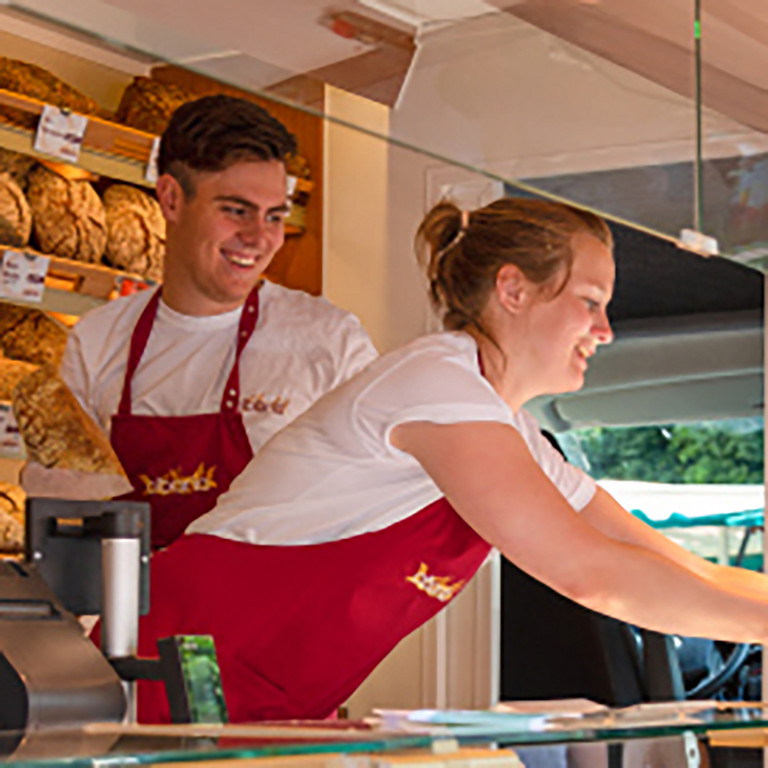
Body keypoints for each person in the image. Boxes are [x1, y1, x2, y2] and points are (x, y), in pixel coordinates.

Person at [129, 197, 768, 723]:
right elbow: (589, 573)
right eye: (590, 302)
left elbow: (667, 559)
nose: (605, 331)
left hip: (268, 706)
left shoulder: (507, 429)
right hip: (163, 679)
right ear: (513, 289)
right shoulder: (437, 385)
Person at [24, 95, 377, 549]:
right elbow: (75, 524)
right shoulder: (97, 340)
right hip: (139, 616)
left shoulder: (329, 342)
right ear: (171, 198)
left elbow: (374, 515)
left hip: (274, 617)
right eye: (236, 210)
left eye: (274, 216)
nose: (260, 238)